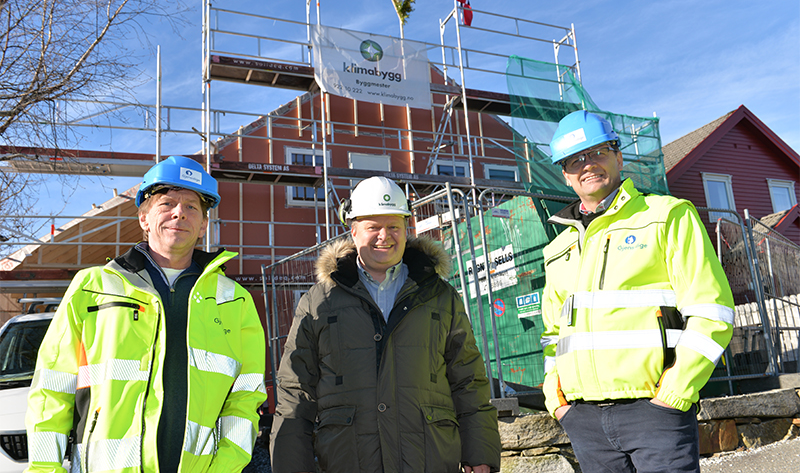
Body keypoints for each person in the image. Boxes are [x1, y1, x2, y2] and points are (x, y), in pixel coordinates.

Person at [26, 156, 267, 472]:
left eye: (192, 207)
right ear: (143, 218)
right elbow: (52, 388)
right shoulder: (94, 286)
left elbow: (245, 397)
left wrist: (225, 466)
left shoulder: (234, 301)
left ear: (204, 225)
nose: (179, 212)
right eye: (166, 203)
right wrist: (46, 468)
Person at [540, 111, 735, 473]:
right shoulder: (557, 248)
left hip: (655, 413)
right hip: (583, 419)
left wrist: (674, 392)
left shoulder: (667, 216)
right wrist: (557, 401)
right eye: (576, 159)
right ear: (565, 175)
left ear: (618, 156)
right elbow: (554, 334)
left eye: (598, 151)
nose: (588, 164)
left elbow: (713, 311)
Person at [270, 176, 501, 473]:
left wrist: (479, 453)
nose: (385, 236)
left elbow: (469, 380)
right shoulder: (318, 302)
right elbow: (295, 390)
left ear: (407, 230)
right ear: (353, 231)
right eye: (373, 227)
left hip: (429, 460)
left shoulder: (440, 296)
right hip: (349, 461)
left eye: (394, 226)